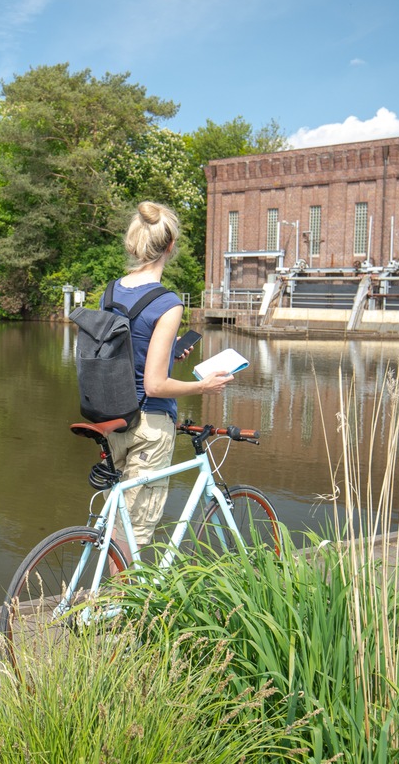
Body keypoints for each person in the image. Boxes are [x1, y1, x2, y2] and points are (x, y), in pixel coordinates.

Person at [104, 201, 234, 552]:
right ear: (170, 245)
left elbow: (126, 350)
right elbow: (155, 385)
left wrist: (166, 347)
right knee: (136, 532)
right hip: (148, 424)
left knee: (117, 523)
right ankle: (120, 606)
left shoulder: (113, 290)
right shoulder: (168, 303)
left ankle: (106, 601)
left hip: (113, 416)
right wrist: (204, 385)